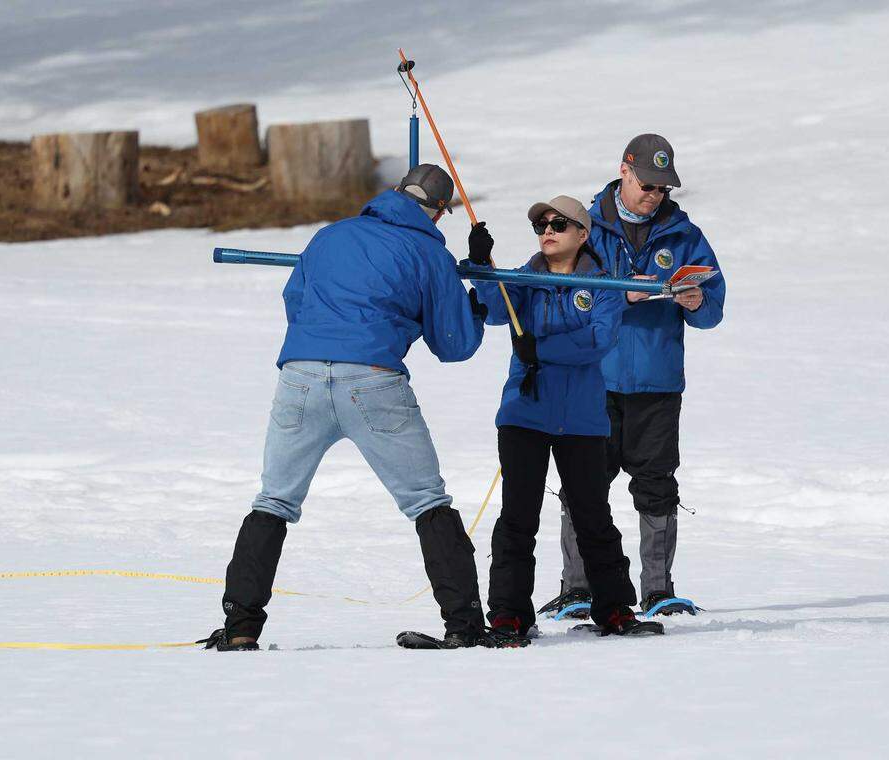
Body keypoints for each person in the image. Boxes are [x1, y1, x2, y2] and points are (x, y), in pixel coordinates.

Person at [202, 164, 510, 651]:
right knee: (426, 500)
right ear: (437, 212)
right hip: (372, 379)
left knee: (274, 501)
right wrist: (470, 301)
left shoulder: (330, 235)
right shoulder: (430, 250)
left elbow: (295, 299)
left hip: (299, 375)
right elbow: (454, 346)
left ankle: (240, 626)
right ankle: (465, 624)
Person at [540, 134, 726, 619]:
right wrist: (619, 297)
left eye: (664, 188)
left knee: (657, 485)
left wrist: (697, 301)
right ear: (624, 170)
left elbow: (714, 311)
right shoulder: (584, 227)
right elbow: (559, 291)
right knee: (583, 485)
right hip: (592, 380)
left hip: (657, 383)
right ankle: (577, 590)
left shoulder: (685, 234)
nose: (655, 195)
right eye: (648, 184)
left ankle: (659, 591)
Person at [469, 195, 661, 640]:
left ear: (582, 233)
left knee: (592, 515)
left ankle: (614, 609)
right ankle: (509, 614)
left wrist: (542, 349)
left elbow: (597, 342)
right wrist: (481, 264)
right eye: (540, 225)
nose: (547, 230)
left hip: (581, 421)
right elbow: (496, 310)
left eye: (558, 223)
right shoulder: (523, 278)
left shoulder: (604, 286)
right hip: (524, 414)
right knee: (519, 516)